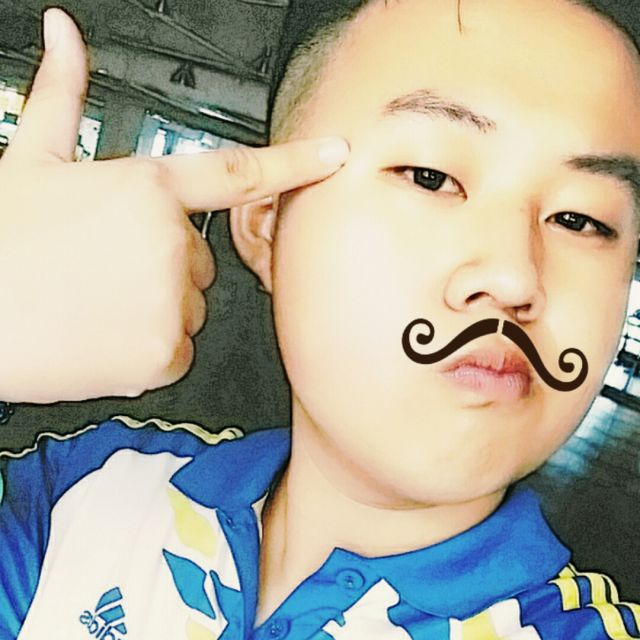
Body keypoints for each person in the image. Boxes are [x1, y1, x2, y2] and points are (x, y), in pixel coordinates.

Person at [2, 0, 640, 638]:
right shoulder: (85, 494)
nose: (514, 278)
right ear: (267, 224)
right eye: (430, 176)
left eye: (581, 219)